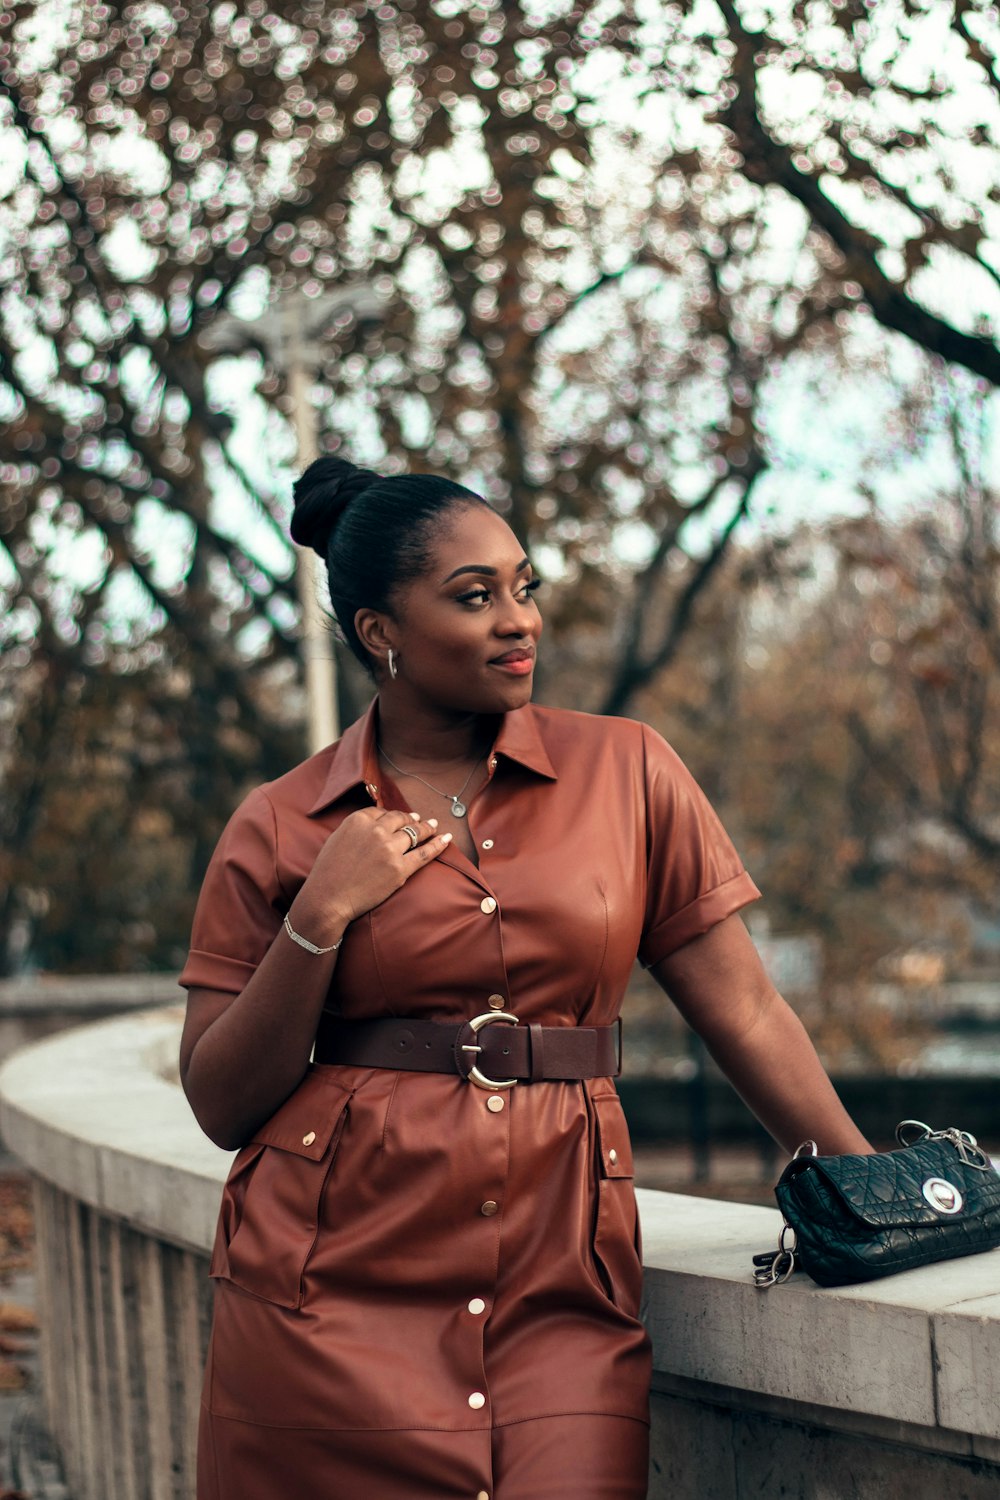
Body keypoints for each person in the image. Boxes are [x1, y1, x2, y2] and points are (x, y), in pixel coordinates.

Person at [179, 457, 871, 1500]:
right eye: (474, 597)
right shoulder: (280, 823)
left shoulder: (628, 769)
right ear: (380, 634)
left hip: (563, 1284)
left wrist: (864, 1189)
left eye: (523, 586)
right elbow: (221, 1100)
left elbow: (742, 1004)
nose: (518, 621)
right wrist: (319, 918)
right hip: (324, 1295)